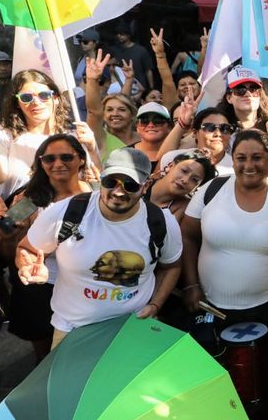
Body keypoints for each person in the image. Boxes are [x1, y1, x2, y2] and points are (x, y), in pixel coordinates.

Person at [16, 148, 183, 348]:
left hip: (132, 327)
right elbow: (27, 249)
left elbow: (172, 266)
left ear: (145, 186)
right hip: (73, 329)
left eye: (130, 185)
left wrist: (156, 305)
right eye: (110, 182)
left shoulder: (160, 222)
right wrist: (28, 266)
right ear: (101, 178)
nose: (119, 192)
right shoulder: (66, 212)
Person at [181, 129, 268, 326]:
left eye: (257, 157)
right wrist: (190, 285)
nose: (249, 165)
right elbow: (187, 237)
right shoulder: (211, 189)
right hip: (208, 306)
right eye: (241, 158)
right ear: (233, 160)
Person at [0, 135, 93, 362]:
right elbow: (5, 236)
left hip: (86, 287)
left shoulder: (97, 193)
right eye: (49, 158)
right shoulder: (31, 199)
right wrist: (15, 231)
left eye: (66, 157)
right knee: (45, 357)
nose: (57, 163)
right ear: (41, 163)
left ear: (80, 159)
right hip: (41, 286)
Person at [0, 70, 81, 201]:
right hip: (21, 216)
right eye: (26, 97)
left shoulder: (76, 137)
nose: (36, 102)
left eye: (44, 95)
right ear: (17, 103)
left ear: (55, 97)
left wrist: (91, 148)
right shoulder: (3, 136)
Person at [158, 102, 236, 177]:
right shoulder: (171, 158)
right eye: (209, 127)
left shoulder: (236, 168)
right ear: (195, 133)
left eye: (225, 128)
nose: (218, 133)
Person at [145, 150, 216, 224]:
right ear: (170, 166)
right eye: (184, 171)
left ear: (197, 187)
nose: (185, 180)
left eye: (194, 180)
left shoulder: (187, 209)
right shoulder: (142, 184)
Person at [111, 21, 156, 89]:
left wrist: (152, 88)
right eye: (117, 34)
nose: (119, 36)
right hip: (121, 87)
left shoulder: (141, 50)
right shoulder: (114, 49)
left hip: (139, 87)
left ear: (129, 35)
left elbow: (148, 70)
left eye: (122, 33)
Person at [131, 101, 173, 171]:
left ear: (169, 127)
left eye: (158, 120)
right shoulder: (124, 154)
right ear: (137, 127)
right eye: (144, 121)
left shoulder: (180, 152)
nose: (150, 125)